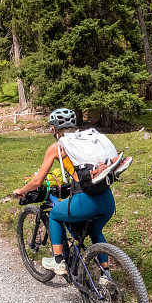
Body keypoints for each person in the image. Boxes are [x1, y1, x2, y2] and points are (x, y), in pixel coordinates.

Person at [13, 108, 131, 276]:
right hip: (107, 202)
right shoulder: (89, 141)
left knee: (54, 214)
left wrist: (22, 190)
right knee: (95, 232)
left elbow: (38, 181)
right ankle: (106, 276)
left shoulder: (57, 147)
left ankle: (58, 260)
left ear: (53, 130)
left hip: (85, 202)